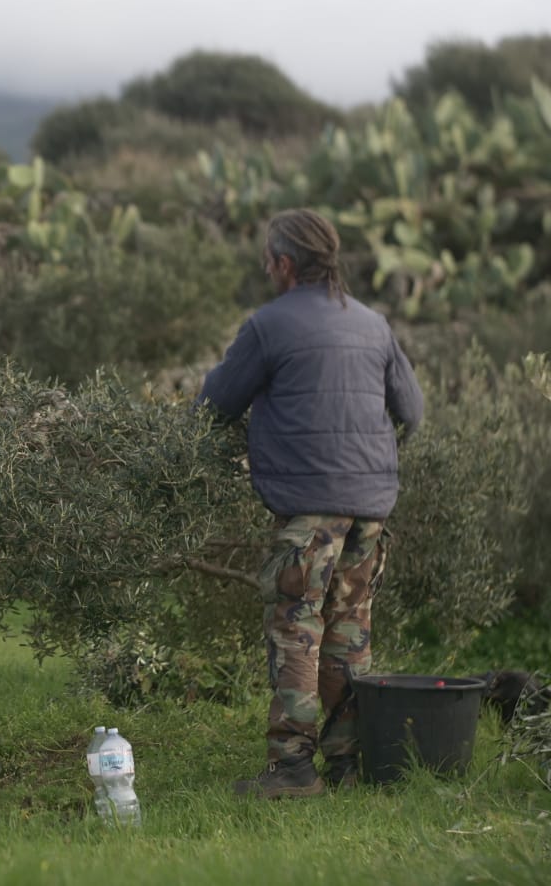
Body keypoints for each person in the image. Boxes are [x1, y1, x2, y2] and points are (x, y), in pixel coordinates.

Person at [197, 209, 424, 799]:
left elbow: (214, 405)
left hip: (310, 513)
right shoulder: (374, 325)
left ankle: (293, 768)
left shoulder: (269, 325)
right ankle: (352, 766)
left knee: (298, 629)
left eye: (268, 259)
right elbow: (414, 412)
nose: (266, 268)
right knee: (350, 633)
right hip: (372, 510)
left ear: (285, 264)